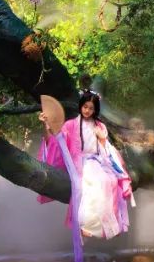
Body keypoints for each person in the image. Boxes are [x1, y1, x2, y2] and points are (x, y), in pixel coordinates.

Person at [37, 91, 134, 250]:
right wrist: (47, 125)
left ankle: (108, 225)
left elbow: (105, 149)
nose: (87, 110)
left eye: (91, 108)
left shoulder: (100, 126)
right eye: (85, 106)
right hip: (79, 161)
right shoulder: (70, 125)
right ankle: (85, 225)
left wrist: (102, 139)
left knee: (110, 181)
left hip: (98, 159)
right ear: (81, 106)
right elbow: (57, 141)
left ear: (95, 110)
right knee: (91, 182)